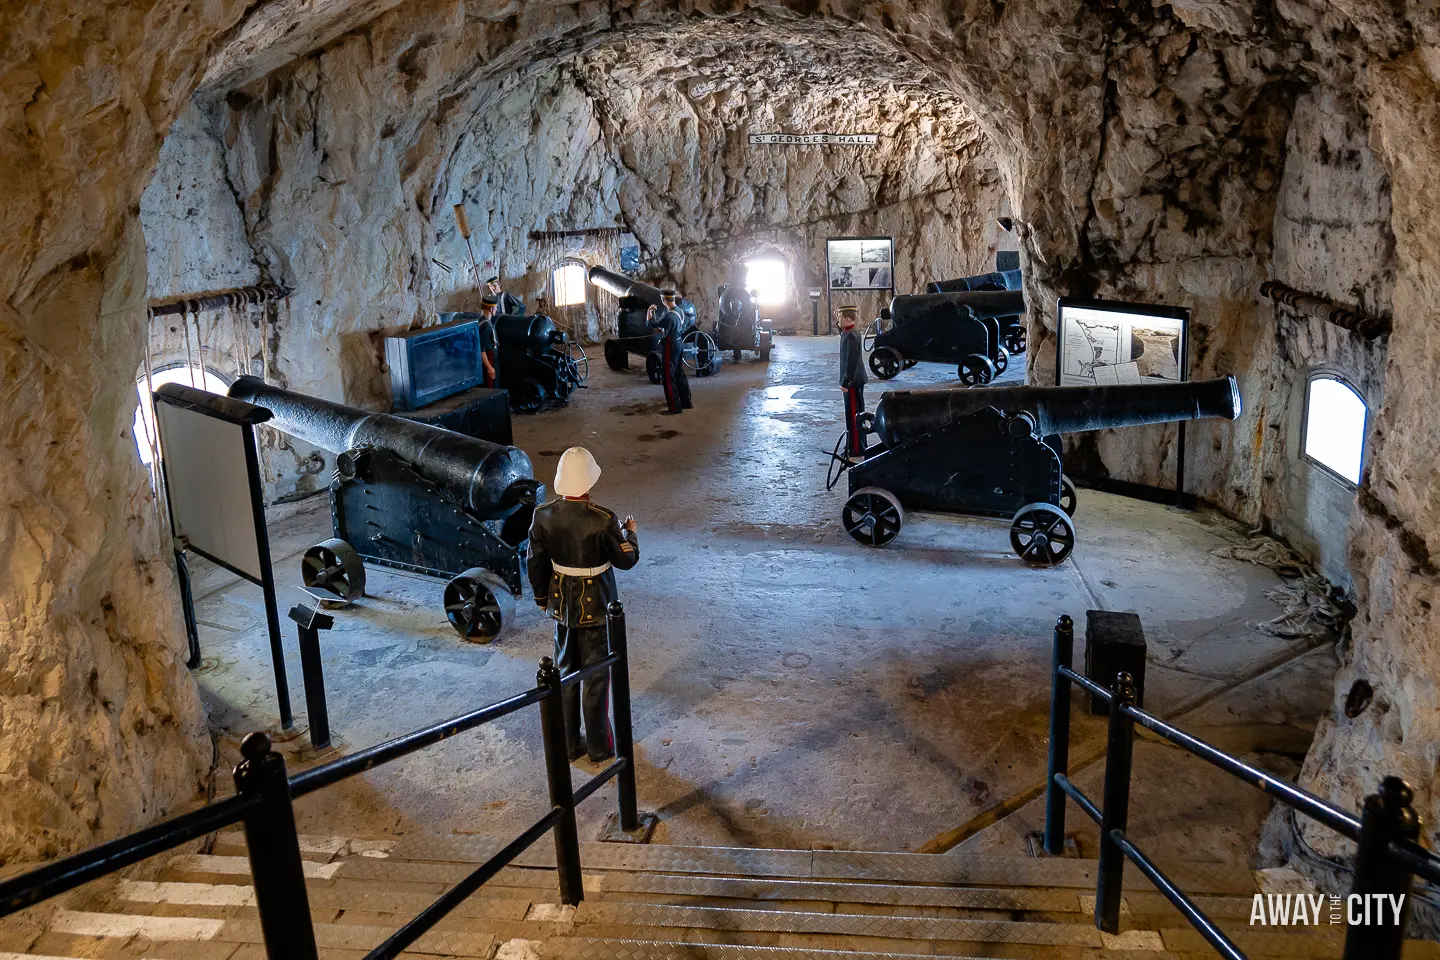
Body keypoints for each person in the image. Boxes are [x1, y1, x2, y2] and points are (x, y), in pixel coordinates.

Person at [527, 448, 640, 763]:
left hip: (562, 606)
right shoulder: (603, 519)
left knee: (564, 674)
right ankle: (599, 746)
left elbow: (535, 563)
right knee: (596, 677)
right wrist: (630, 534)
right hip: (596, 609)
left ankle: (568, 744)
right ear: (589, 481)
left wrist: (542, 598)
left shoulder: (542, 515)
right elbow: (626, 559)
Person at [649, 288, 692, 414]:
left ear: (663, 300)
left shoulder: (669, 315)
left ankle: (674, 407)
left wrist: (649, 311)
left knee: (668, 376)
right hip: (679, 342)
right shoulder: (680, 311)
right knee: (679, 372)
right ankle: (686, 402)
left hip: (670, 345)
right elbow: (682, 326)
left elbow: (652, 324)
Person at [837, 304, 867, 457]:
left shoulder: (851, 335)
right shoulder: (849, 332)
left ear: (847, 318)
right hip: (853, 381)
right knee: (852, 414)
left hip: (853, 382)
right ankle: (853, 444)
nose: (838, 320)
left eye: (839, 317)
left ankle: (856, 448)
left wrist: (846, 382)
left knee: (854, 414)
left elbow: (852, 361)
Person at [477, 295, 500, 388]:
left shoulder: (480, 319)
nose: (496, 309)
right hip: (490, 359)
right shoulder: (486, 326)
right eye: (496, 307)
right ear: (491, 308)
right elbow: (481, 350)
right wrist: (489, 368)